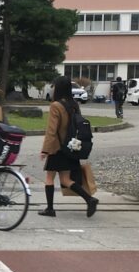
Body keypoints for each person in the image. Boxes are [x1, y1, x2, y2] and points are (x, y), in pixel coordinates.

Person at [38, 76, 99, 218]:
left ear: (58, 88)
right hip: (70, 146)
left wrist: (45, 150)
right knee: (65, 179)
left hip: (57, 148)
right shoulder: (74, 105)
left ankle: (50, 209)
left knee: (49, 178)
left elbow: (51, 131)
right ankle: (90, 199)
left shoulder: (55, 106)